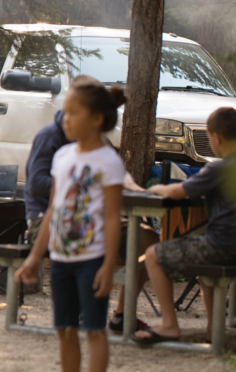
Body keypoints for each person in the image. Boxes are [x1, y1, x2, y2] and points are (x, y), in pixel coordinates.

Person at [16, 76, 126, 372]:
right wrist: (35, 257)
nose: (66, 118)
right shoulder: (62, 157)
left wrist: (108, 265)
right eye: (65, 111)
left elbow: (114, 216)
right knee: (65, 329)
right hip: (62, 259)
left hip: (92, 259)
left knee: (93, 329)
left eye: (74, 112)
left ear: (96, 119)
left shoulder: (109, 161)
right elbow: (53, 210)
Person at [133, 106, 236, 344]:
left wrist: (155, 188)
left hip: (223, 247)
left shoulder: (219, 168)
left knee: (153, 255)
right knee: (204, 268)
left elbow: (179, 191)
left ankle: (169, 325)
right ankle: (214, 328)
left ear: (216, 138)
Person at [25, 109, 158, 333]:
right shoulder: (52, 139)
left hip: (97, 217)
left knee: (149, 243)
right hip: (49, 220)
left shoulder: (99, 142)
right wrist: (79, 184)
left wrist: (130, 184)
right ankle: (77, 309)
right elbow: (36, 184)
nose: (67, 117)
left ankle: (122, 316)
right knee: (83, 238)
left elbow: (116, 175)